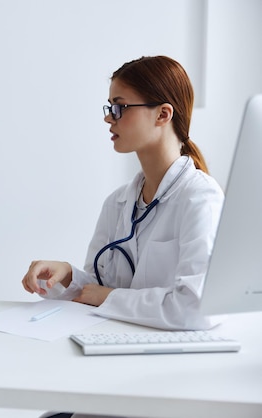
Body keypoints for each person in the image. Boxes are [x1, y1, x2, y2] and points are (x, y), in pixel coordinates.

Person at [22, 56, 224, 331]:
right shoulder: (117, 203)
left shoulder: (200, 198)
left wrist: (108, 297)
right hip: (109, 343)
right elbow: (95, 289)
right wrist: (69, 277)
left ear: (163, 114)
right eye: (110, 107)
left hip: (170, 359)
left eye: (120, 107)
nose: (108, 117)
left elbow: (196, 309)